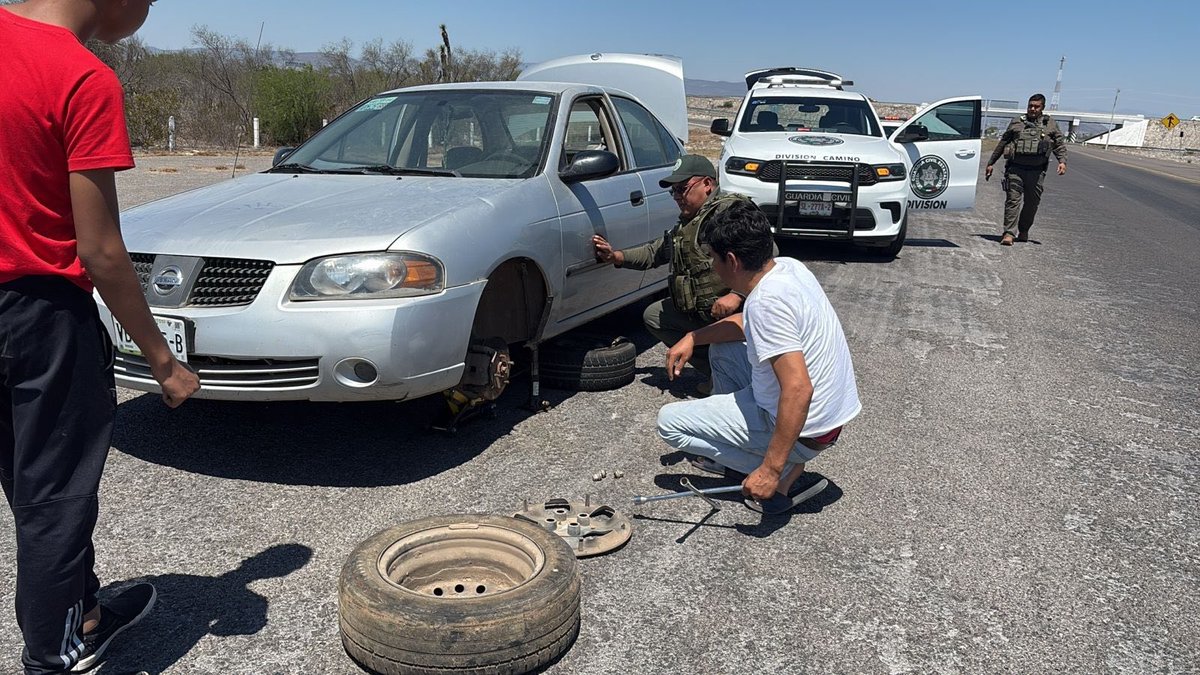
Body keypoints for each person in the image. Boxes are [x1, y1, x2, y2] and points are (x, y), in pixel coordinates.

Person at [0, 1, 201, 673]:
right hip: (39, 316)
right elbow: (101, 249)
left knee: (30, 481)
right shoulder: (80, 77)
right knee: (54, 495)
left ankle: (81, 608)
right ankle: (56, 657)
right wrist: (163, 361)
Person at [656, 200, 861, 515]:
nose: (712, 265)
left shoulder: (765, 302)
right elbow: (744, 326)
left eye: (713, 258)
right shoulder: (789, 267)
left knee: (669, 424)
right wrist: (693, 336)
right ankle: (752, 449)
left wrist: (771, 469)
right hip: (829, 419)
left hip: (807, 430)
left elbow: (798, 389)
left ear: (732, 261)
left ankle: (785, 476)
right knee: (722, 350)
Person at [592, 154, 764, 394]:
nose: (677, 197)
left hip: (735, 312)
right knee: (655, 315)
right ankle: (718, 372)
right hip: (703, 310)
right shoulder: (688, 222)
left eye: (683, 189)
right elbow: (656, 252)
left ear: (707, 184)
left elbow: (765, 255)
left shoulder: (729, 212)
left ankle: (745, 376)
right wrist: (616, 257)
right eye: (673, 192)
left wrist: (737, 295)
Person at [985, 93, 1068, 246]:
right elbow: (1003, 143)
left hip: (1037, 172)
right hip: (1015, 169)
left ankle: (1023, 230)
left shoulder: (1050, 124)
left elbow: (1059, 144)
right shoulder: (1017, 122)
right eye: (1030, 105)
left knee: (1032, 203)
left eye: (1036, 106)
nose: (1032, 109)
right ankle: (1009, 233)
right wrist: (991, 163)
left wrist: (1062, 161)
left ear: (1042, 108)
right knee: (1012, 201)